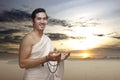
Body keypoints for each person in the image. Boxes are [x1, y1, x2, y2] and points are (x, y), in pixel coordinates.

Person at [19, 8, 70, 80]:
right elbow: (22, 63)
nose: (42, 21)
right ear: (33, 21)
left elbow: (51, 61)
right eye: (39, 19)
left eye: (44, 19)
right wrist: (46, 58)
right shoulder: (28, 39)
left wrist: (58, 58)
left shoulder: (47, 39)